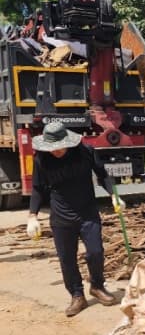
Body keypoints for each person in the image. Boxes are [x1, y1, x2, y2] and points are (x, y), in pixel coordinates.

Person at [26, 122, 123, 316]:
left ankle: (97, 286)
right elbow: (37, 188)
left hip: (87, 212)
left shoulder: (85, 151)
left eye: (58, 147)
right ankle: (77, 295)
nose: (55, 151)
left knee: (96, 252)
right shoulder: (42, 159)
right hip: (61, 217)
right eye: (51, 148)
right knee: (67, 259)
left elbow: (102, 175)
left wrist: (114, 194)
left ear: (67, 142)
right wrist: (32, 215)